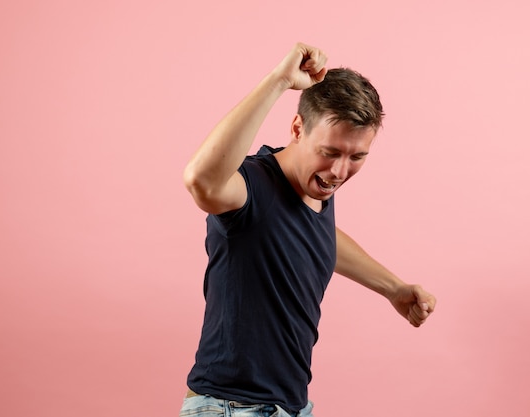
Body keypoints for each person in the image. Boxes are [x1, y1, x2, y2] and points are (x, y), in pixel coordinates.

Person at [180, 42, 436, 417]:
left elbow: (319, 238)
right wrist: (279, 81)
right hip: (231, 407)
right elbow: (201, 180)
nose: (339, 171)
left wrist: (393, 288)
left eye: (357, 156)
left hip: (291, 407)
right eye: (330, 152)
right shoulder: (251, 187)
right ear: (298, 128)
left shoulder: (312, 189)